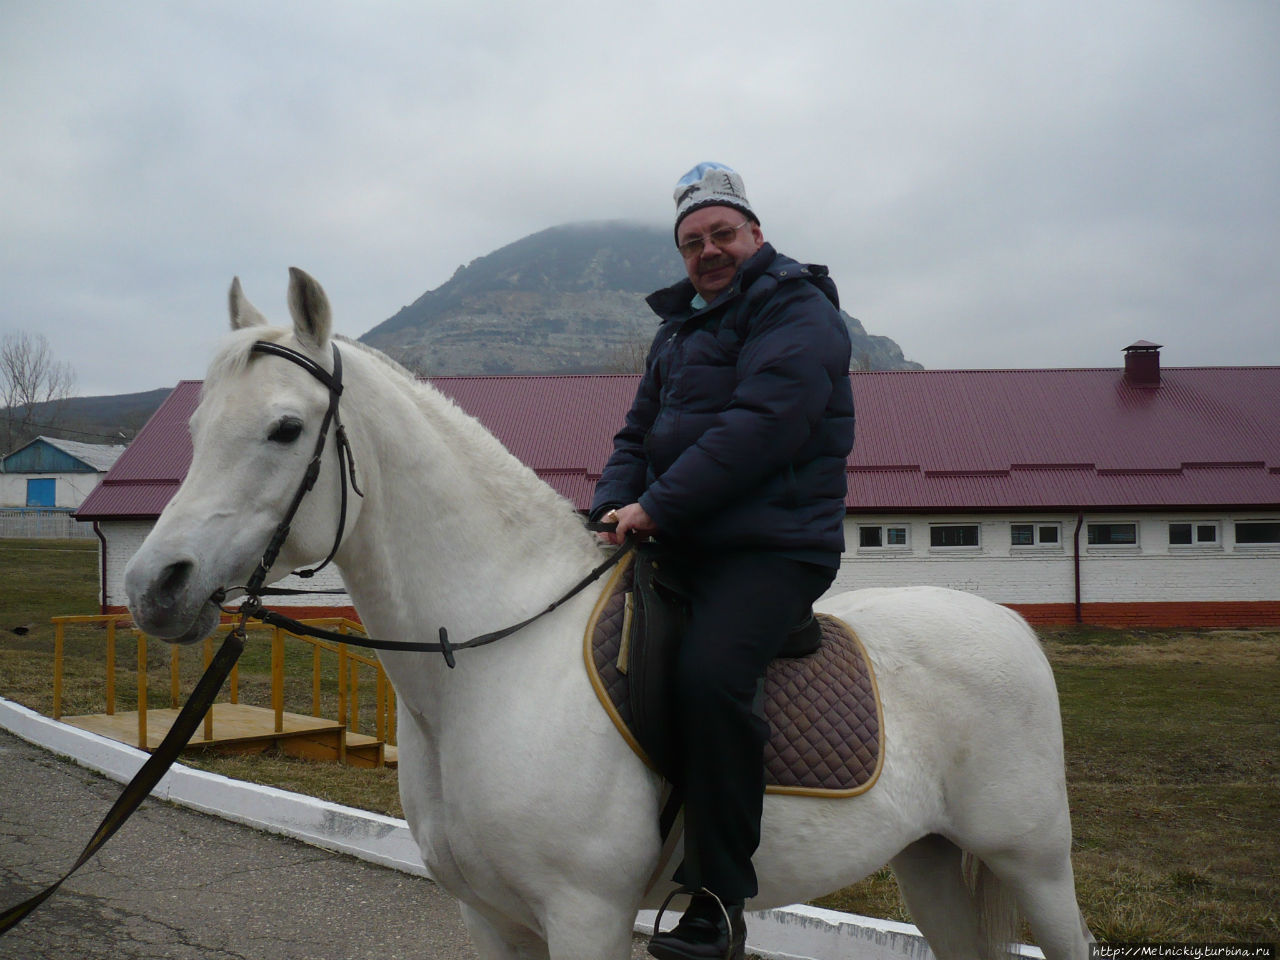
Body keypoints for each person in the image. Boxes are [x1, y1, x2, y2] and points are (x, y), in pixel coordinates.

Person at [591, 162, 855, 960]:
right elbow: (635, 436)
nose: (708, 250)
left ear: (757, 234)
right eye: (692, 242)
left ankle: (715, 897)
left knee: (709, 676)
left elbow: (764, 425)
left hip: (771, 548)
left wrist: (659, 506)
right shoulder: (677, 331)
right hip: (680, 541)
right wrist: (608, 507)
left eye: (722, 234)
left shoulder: (798, 311)